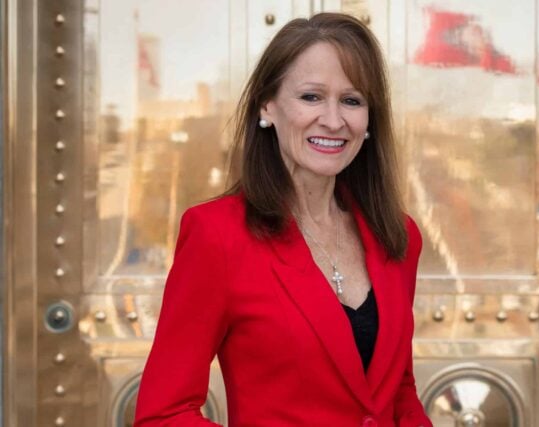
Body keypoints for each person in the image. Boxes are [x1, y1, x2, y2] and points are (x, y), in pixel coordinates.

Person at [134, 12, 433, 427]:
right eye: (311, 97)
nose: (333, 120)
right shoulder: (216, 235)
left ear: (369, 119)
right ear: (267, 106)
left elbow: (398, 390)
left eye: (352, 100)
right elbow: (163, 414)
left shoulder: (398, 235)